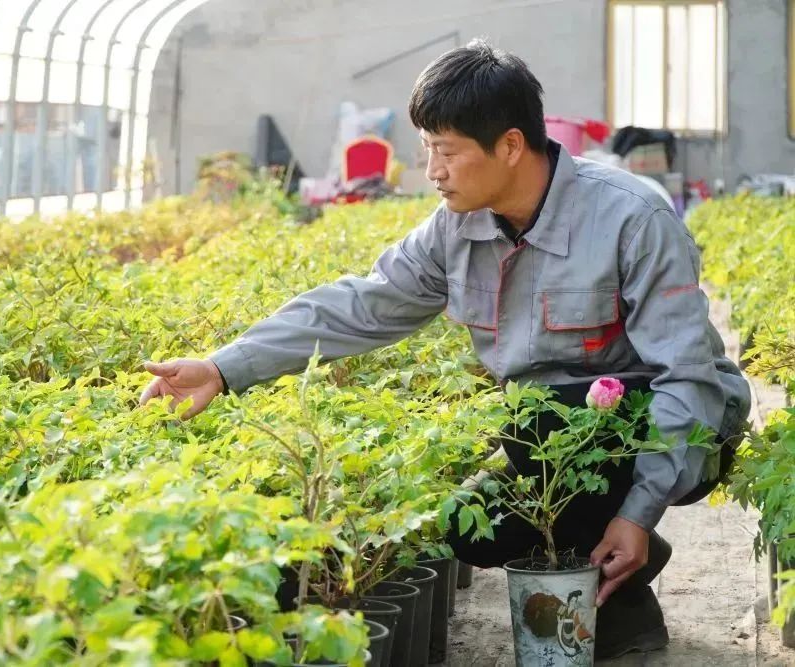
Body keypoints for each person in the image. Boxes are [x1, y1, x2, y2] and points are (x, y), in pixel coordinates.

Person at [139, 39, 751, 659]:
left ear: (510, 145)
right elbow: (364, 302)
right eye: (427, 148)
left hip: (681, 425)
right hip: (547, 432)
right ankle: (609, 562)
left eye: (447, 151)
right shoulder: (456, 226)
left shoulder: (631, 217)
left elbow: (688, 378)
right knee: (470, 527)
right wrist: (223, 367)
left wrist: (639, 512)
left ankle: (620, 598)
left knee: (545, 418)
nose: (432, 169)